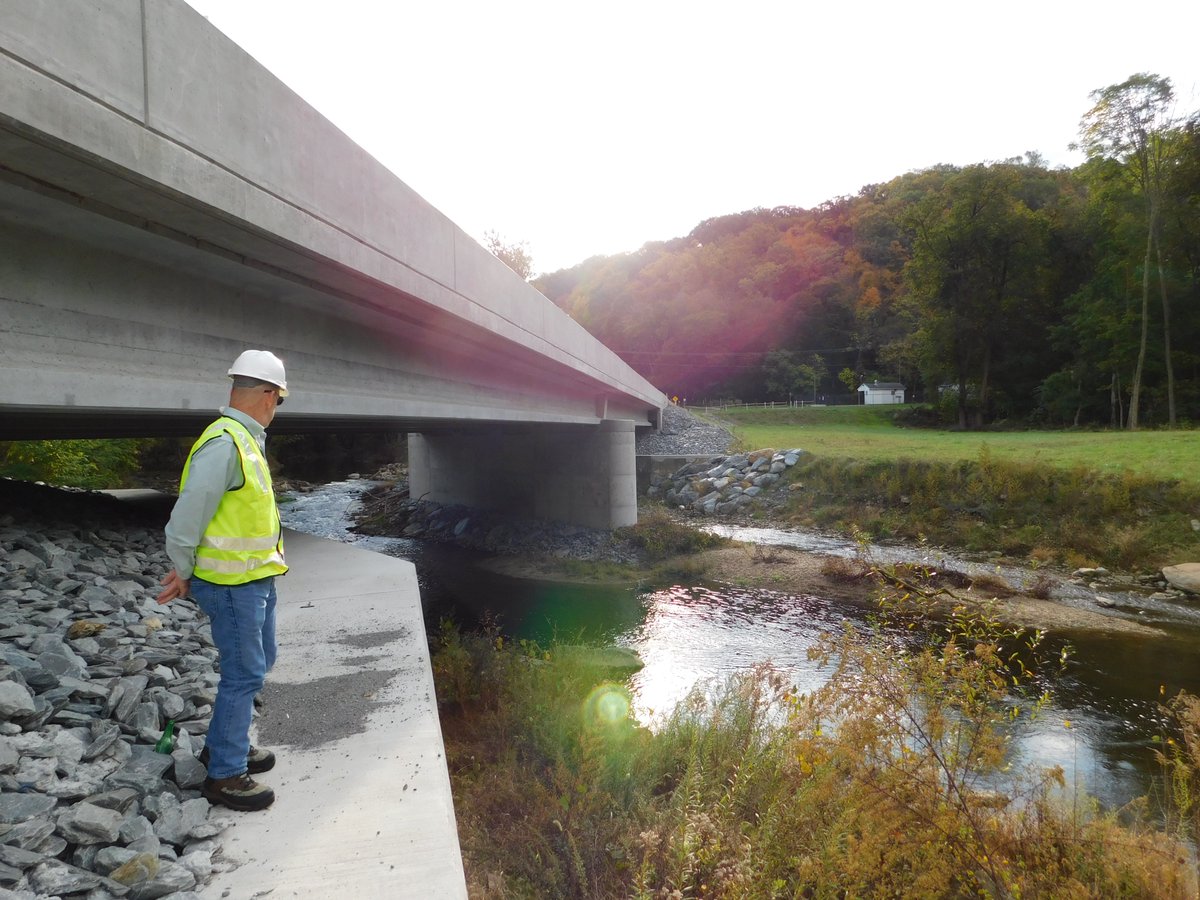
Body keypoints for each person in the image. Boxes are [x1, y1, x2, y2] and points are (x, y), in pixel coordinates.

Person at [156, 349, 290, 812]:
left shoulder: (245, 440)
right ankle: (225, 775)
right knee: (244, 672)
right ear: (269, 394)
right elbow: (186, 517)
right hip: (232, 585)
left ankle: (225, 745)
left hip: (255, 579)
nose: (277, 407)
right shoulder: (226, 443)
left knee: (261, 660)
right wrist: (184, 570)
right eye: (279, 399)